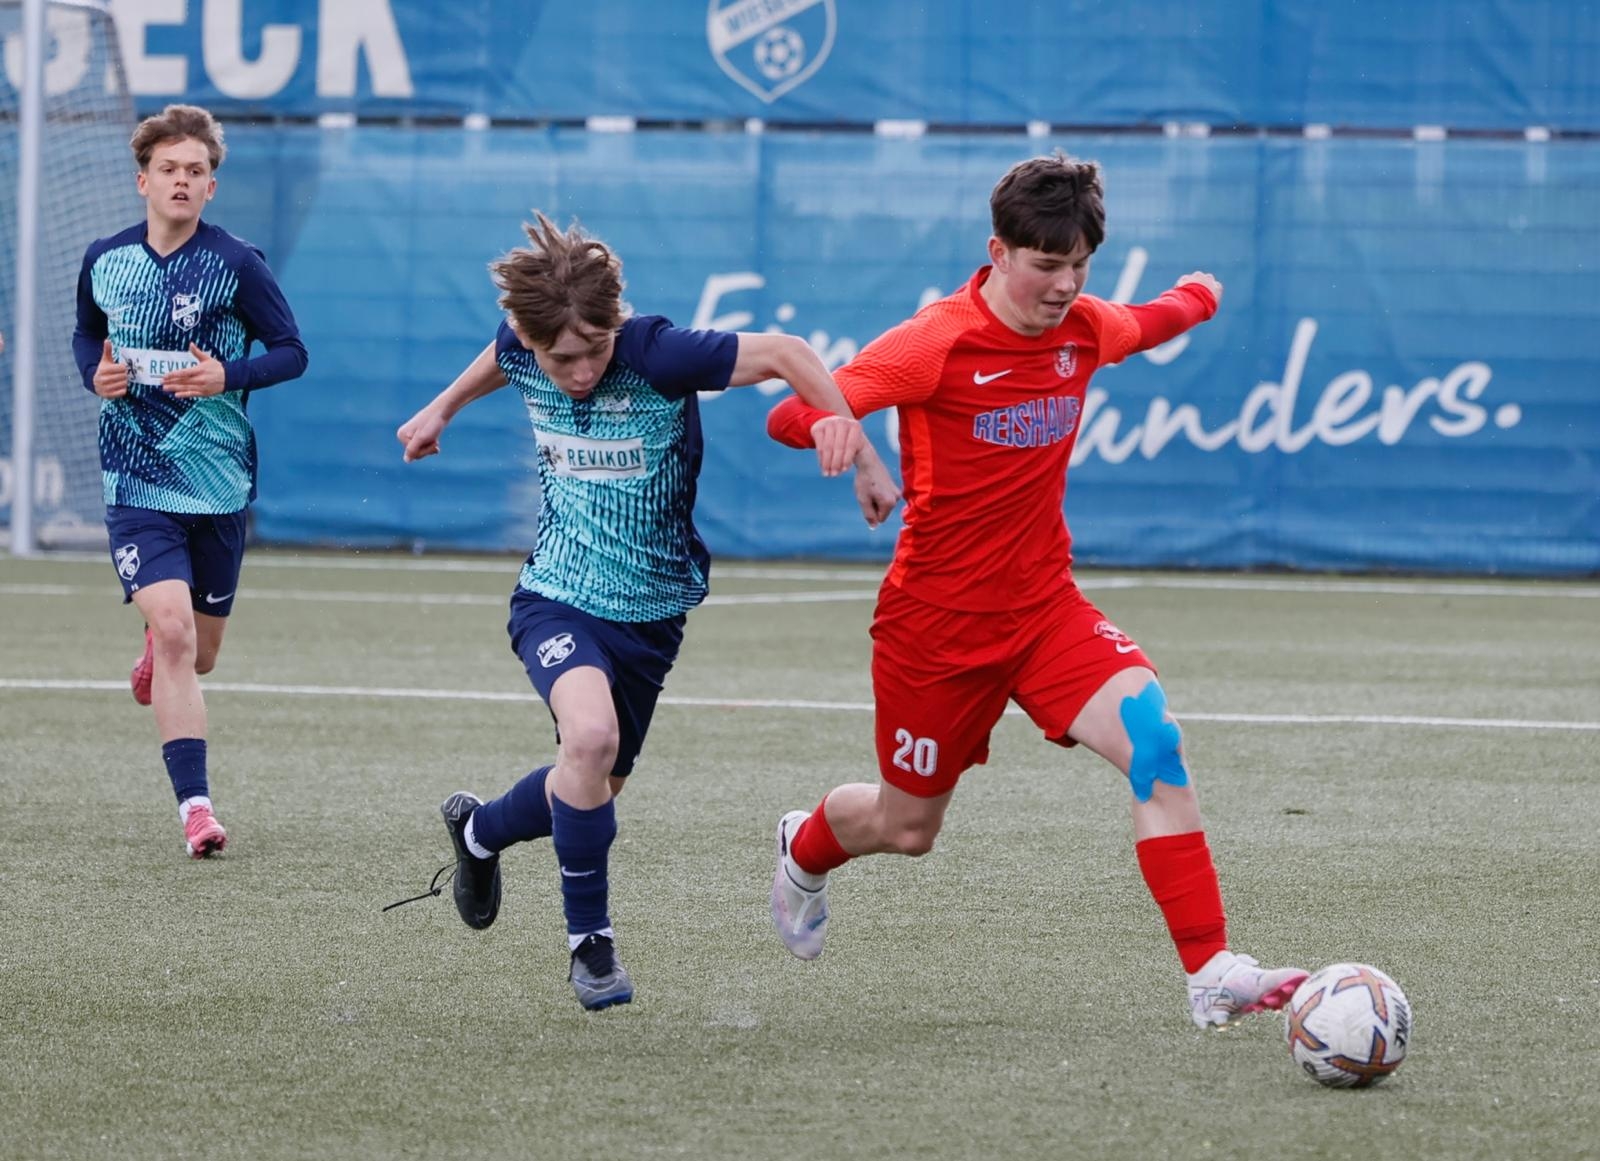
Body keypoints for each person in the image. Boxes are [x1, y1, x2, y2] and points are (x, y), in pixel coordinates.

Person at [764, 151, 1307, 1030]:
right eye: (1047, 265)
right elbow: (794, 410)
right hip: (936, 628)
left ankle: (1211, 970)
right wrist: (831, 427)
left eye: (1079, 265)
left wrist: (1200, 296)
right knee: (907, 829)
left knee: (1156, 743)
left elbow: (1147, 321)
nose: (1064, 285)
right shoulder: (934, 342)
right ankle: (805, 845)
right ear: (999, 252)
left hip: (1046, 610)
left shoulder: (1083, 327)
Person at [396, 211, 898, 1011]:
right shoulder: (523, 345)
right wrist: (441, 409)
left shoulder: (657, 354)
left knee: (594, 781)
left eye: (594, 349)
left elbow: (789, 353)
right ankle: (590, 945)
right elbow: (500, 353)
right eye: (561, 357)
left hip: (652, 615)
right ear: (531, 339)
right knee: (589, 740)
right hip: (555, 596)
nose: (581, 370)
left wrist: (859, 445)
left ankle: (480, 831)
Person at [71, 104, 309, 858]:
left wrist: (226, 375)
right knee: (175, 631)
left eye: (195, 171)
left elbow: (292, 352)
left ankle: (160, 647)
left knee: (198, 654)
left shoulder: (238, 264)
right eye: (168, 168)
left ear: (211, 186)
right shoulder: (105, 259)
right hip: (136, 480)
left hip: (217, 485)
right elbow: (87, 333)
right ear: (143, 180)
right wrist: (96, 375)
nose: (181, 180)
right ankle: (197, 810)